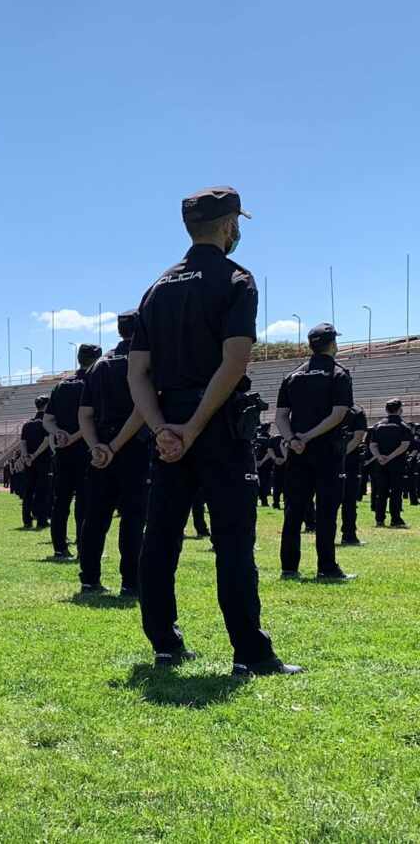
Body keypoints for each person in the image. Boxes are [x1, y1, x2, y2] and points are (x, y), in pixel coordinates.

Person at [128, 185, 300, 677]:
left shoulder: (156, 287)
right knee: (232, 541)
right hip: (217, 425)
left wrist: (164, 429)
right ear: (228, 226)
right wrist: (194, 426)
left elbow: (137, 373)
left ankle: (164, 642)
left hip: (167, 430)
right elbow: (233, 362)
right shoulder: (236, 280)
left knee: (160, 538)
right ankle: (250, 652)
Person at [273, 323, 355, 581]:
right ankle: (327, 567)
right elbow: (339, 413)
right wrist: (308, 436)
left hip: (298, 452)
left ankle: (289, 567)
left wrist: (293, 439)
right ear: (332, 344)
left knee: (294, 510)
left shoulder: (293, 375)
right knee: (327, 510)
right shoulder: (338, 374)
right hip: (327, 451)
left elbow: (280, 416)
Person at [76, 310, 147, 596]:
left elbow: (84, 414)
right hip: (133, 447)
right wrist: (116, 446)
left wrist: (96, 447)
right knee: (132, 518)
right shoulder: (142, 360)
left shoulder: (98, 365)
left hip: (101, 450)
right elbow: (142, 409)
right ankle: (131, 582)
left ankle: (89, 578)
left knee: (95, 518)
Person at [45, 344, 100, 558]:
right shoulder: (94, 382)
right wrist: (75, 437)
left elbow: (48, 420)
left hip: (62, 453)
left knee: (61, 502)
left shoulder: (62, 385)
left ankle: (59, 547)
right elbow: (92, 419)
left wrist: (60, 433)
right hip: (86, 451)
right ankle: (83, 547)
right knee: (84, 502)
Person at [367, 398, 412, 528]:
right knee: (396, 492)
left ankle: (379, 519)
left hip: (380, 463)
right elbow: (404, 445)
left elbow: (372, 445)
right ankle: (396, 519)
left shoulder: (378, 425)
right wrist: (390, 457)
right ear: (400, 410)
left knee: (381, 492)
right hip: (397, 463)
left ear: (386, 410)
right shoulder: (403, 426)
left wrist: (379, 457)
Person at [19, 396, 53, 530]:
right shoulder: (46, 422)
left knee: (28, 490)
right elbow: (46, 441)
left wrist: (26, 456)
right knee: (42, 491)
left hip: (29, 462)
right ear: (46, 405)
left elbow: (22, 443)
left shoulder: (27, 424)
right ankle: (41, 519)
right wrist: (34, 456)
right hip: (42, 460)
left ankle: (27, 519)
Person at [337, 408, 367, 545]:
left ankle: (324, 535)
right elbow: (358, 437)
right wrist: (342, 455)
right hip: (349, 461)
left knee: (325, 500)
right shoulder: (357, 411)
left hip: (326, 458)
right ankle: (349, 535)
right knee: (349, 500)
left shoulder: (325, 406)